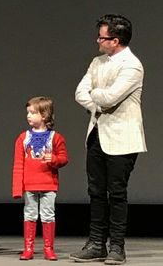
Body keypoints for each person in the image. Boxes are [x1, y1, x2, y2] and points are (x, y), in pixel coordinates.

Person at [70, 14, 146, 265]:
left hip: (122, 138)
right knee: (95, 192)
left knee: (116, 192)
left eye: (101, 37)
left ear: (115, 40)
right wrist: (95, 98)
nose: (97, 41)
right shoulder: (97, 62)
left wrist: (95, 94)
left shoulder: (131, 65)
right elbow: (80, 92)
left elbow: (111, 97)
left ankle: (117, 247)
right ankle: (95, 243)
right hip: (97, 134)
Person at [12, 96, 68, 261]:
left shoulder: (56, 138)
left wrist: (53, 160)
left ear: (44, 115)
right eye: (27, 112)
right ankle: (28, 248)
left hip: (48, 184)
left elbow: (64, 159)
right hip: (30, 185)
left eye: (32, 113)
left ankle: (48, 249)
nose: (28, 116)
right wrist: (17, 188)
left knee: (48, 215)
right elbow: (18, 164)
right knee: (29, 214)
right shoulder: (23, 138)